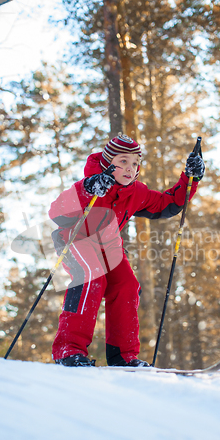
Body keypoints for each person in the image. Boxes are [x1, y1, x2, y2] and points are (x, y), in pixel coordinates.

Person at [49, 134, 205, 367]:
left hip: (109, 245)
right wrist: (89, 188)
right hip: (76, 239)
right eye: (122, 161)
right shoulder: (91, 184)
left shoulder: (136, 192)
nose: (130, 168)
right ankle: (68, 351)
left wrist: (190, 179)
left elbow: (167, 203)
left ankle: (123, 357)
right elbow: (57, 211)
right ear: (107, 162)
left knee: (127, 286)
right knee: (92, 277)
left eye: (134, 163)